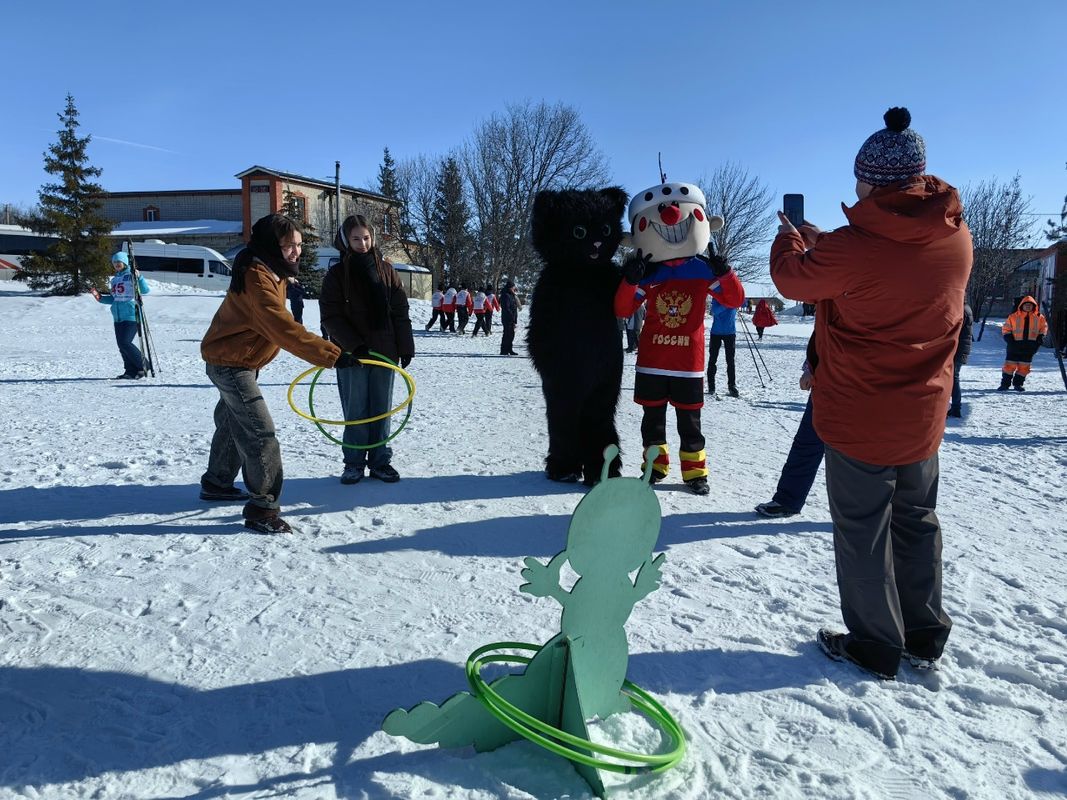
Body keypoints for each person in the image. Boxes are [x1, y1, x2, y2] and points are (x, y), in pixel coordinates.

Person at [770, 107, 972, 681]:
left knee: (863, 529)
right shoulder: (955, 235)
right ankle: (924, 632)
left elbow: (792, 279)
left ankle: (875, 644)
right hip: (923, 411)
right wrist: (824, 244)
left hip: (861, 414)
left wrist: (789, 240)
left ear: (872, 182)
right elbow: (879, 266)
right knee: (917, 519)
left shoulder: (855, 247)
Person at [200, 214, 341, 534]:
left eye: (299, 245)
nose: (296, 252)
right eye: (288, 245)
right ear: (269, 245)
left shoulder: (269, 270)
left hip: (238, 359)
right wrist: (332, 355)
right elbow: (280, 326)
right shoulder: (256, 276)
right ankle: (262, 509)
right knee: (258, 432)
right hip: (232, 364)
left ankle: (217, 482)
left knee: (233, 422)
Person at [320, 214, 414, 485]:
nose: (362, 243)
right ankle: (353, 463)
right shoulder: (337, 274)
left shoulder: (387, 271)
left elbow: (400, 311)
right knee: (356, 409)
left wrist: (405, 346)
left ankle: (380, 461)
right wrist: (354, 346)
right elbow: (330, 316)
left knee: (381, 409)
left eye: (366, 238)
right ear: (345, 241)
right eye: (355, 239)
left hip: (385, 350)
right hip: (353, 355)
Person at [755, 334, 824, 517]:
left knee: (861, 455)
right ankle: (788, 500)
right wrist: (811, 367)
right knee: (807, 443)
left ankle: (877, 514)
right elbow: (822, 333)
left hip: (865, 386)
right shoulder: (829, 314)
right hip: (826, 385)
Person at [91, 251, 151, 379]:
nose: (116, 264)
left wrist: (139, 277)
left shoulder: (131, 275)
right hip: (118, 317)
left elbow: (145, 290)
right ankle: (130, 371)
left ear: (125, 262)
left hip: (131, 315)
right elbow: (114, 298)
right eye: (114, 262)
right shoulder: (115, 280)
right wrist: (99, 297)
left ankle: (144, 365)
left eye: (119, 262)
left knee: (125, 342)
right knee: (121, 345)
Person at [999, 295, 1047, 391]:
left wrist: (1037, 343)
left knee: (1024, 368)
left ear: (1034, 306)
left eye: (1030, 305)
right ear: (1022, 305)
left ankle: (1018, 384)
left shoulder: (1040, 318)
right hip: (1014, 346)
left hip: (1030, 347)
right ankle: (1005, 385)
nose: (1028, 306)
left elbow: (1043, 330)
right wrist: (1010, 341)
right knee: (1009, 366)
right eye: (1026, 305)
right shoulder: (1013, 316)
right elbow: (1006, 329)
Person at [707, 296, 739, 397]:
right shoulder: (717, 297)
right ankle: (711, 386)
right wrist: (727, 304)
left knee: (730, 361)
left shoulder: (734, 297)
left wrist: (732, 303)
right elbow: (714, 311)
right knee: (712, 360)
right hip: (716, 332)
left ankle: (732, 386)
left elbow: (741, 302)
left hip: (730, 332)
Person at [948, 300, 973, 416]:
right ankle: (955, 407)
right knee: (953, 378)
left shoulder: (962, 310)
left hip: (957, 350)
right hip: (960, 350)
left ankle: (956, 407)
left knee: (953, 378)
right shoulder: (965, 308)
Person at [499, 280, 519, 355]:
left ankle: (509, 349)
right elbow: (506, 308)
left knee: (511, 334)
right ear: (510, 287)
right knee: (507, 334)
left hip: (511, 318)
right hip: (507, 318)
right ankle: (504, 350)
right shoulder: (506, 295)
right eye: (513, 287)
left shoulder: (511, 295)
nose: (514, 288)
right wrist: (512, 317)